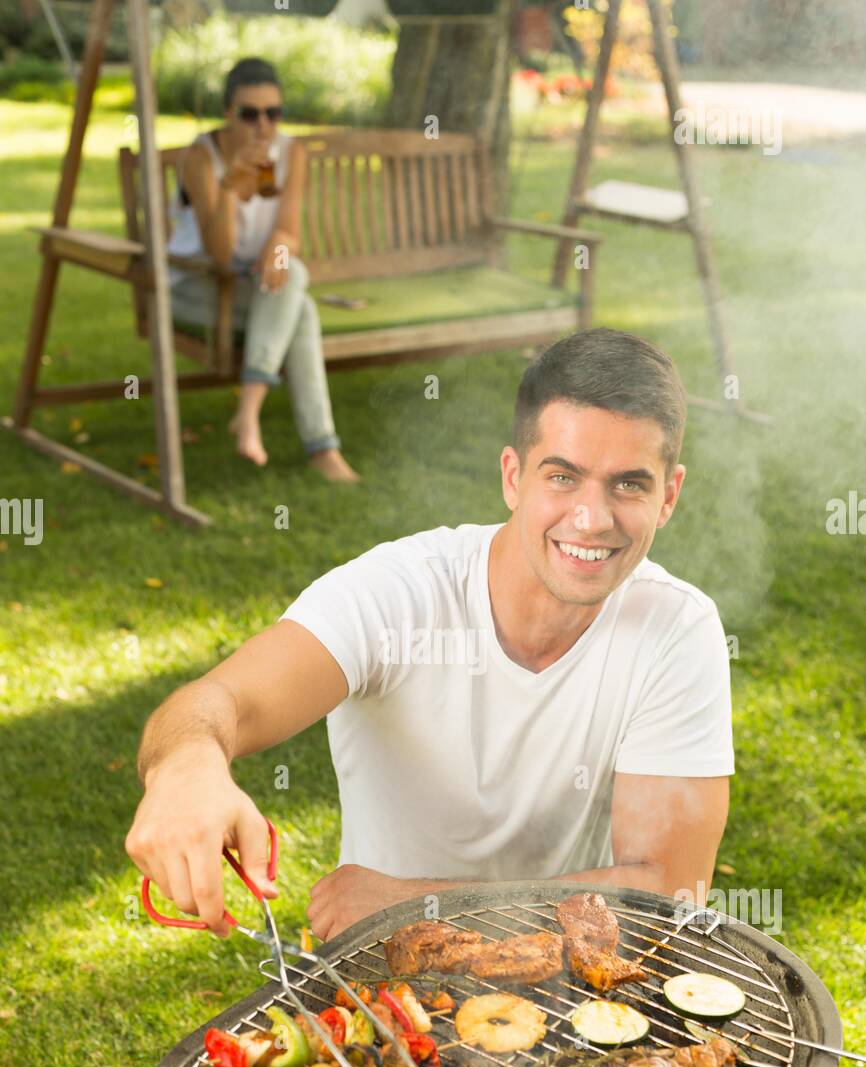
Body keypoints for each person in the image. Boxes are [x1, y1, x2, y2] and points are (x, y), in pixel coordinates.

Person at [125, 328, 734, 941]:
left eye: (629, 484)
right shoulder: (398, 593)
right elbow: (217, 702)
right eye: (562, 477)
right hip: (385, 973)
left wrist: (417, 904)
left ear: (669, 496)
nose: (592, 518)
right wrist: (188, 767)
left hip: (575, 977)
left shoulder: (677, 629)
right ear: (512, 477)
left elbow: (666, 891)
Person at [167, 57, 359, 482]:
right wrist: (231, 189)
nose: (263, 125)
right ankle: (321, 448)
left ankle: (251, 411)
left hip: (254, 286)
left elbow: (289, 231)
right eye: (249, 114)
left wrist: (277, 250)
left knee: (295, 280)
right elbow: (219, 253)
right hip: (193, 288)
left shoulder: (290, 154)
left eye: (273, 113)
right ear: (228, 113)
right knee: (301, 307)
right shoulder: (202, 157)